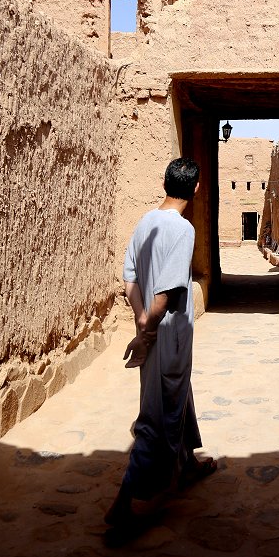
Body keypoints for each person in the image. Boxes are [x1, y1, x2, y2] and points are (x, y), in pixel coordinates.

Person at [105, 157, 216, 533]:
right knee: (157, 414)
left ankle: (187, 464)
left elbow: (130, 277)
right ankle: (122, 505)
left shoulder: (145, 221)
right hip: (168, 334)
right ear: (197, 189)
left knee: (176, 394)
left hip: (154, 331)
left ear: (165, 183)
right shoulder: (183, 230)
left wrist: (139, 320)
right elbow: (167, 292)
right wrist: (150, 328)